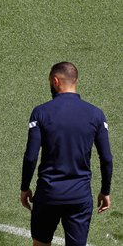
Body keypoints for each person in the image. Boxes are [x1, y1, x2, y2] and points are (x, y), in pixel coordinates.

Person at [20, 62, 113, 246]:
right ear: (75, 81)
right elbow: (107, 158)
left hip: (48, 194)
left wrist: (25, 187)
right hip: (79, 196)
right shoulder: (96, 114)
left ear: (55, 81)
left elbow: (31, 157)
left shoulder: (41, 112)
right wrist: (105, 191)